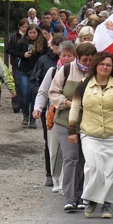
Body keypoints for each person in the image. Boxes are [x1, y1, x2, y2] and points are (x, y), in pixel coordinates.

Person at [68, 51, 113, 219]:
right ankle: (91, 200)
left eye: (108, 65)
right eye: (102, 64)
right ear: (96, 66)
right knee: (93, 167)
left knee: (111, 172)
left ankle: (107, 204)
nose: (105, 67)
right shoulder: (84, 85)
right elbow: (75, 107)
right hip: (90, 133)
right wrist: (72, 130)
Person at [48, 42, 97, 212]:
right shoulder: (66, 70)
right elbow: (53, 92)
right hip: (65, 121)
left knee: (86, 159)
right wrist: (68, 103)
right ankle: (69, 197)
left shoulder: (97, 72)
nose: (88, 63)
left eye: (91, 60)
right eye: (85, 59)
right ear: (77, 56)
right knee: (71, 157)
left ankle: (82, 195)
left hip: (88, 123)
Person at [32, 40, 76, 194]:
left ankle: (65, 181)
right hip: (53, 114)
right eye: (63, 55)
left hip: (72, 114)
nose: (66, 59)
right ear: (59, 55)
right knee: (53, 149)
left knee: (68, 150)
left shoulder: (77, 72)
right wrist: (38, 108)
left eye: (69, 56)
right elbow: (43, 91)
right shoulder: (52, 71)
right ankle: (55, 178)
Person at [29, 34, 64, 187]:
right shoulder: (45, 62)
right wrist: (39, 106)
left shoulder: (72, 68)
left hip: (65, 109)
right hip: (48, 109)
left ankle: (63, 174)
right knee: (49, 142)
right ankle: (50, 173)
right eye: (57, 48)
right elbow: (36, 83)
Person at [16, 24, 49, 128]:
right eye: (30, 33)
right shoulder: (23, 41)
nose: (32, 35)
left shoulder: (42, 42)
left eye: (34, 33)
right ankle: (25, 114)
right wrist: (23, 55)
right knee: (25, 93)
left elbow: (46, 56)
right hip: (25, 71)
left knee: (35, 95)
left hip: (36, 73)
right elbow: (14, 51)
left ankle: (33, 118)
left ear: (38, 33)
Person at [7, 18, 29, 113]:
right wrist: (20, 54)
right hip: (16, 63)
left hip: (26, 64)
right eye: (23, 26)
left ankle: (24, 103)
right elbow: (8, 50)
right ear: (19, 27)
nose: (25, 28)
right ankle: (16, 102)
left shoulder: (29, 37)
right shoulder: (14, 37)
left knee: (25, 84)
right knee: (17, 83)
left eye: (26, 26)